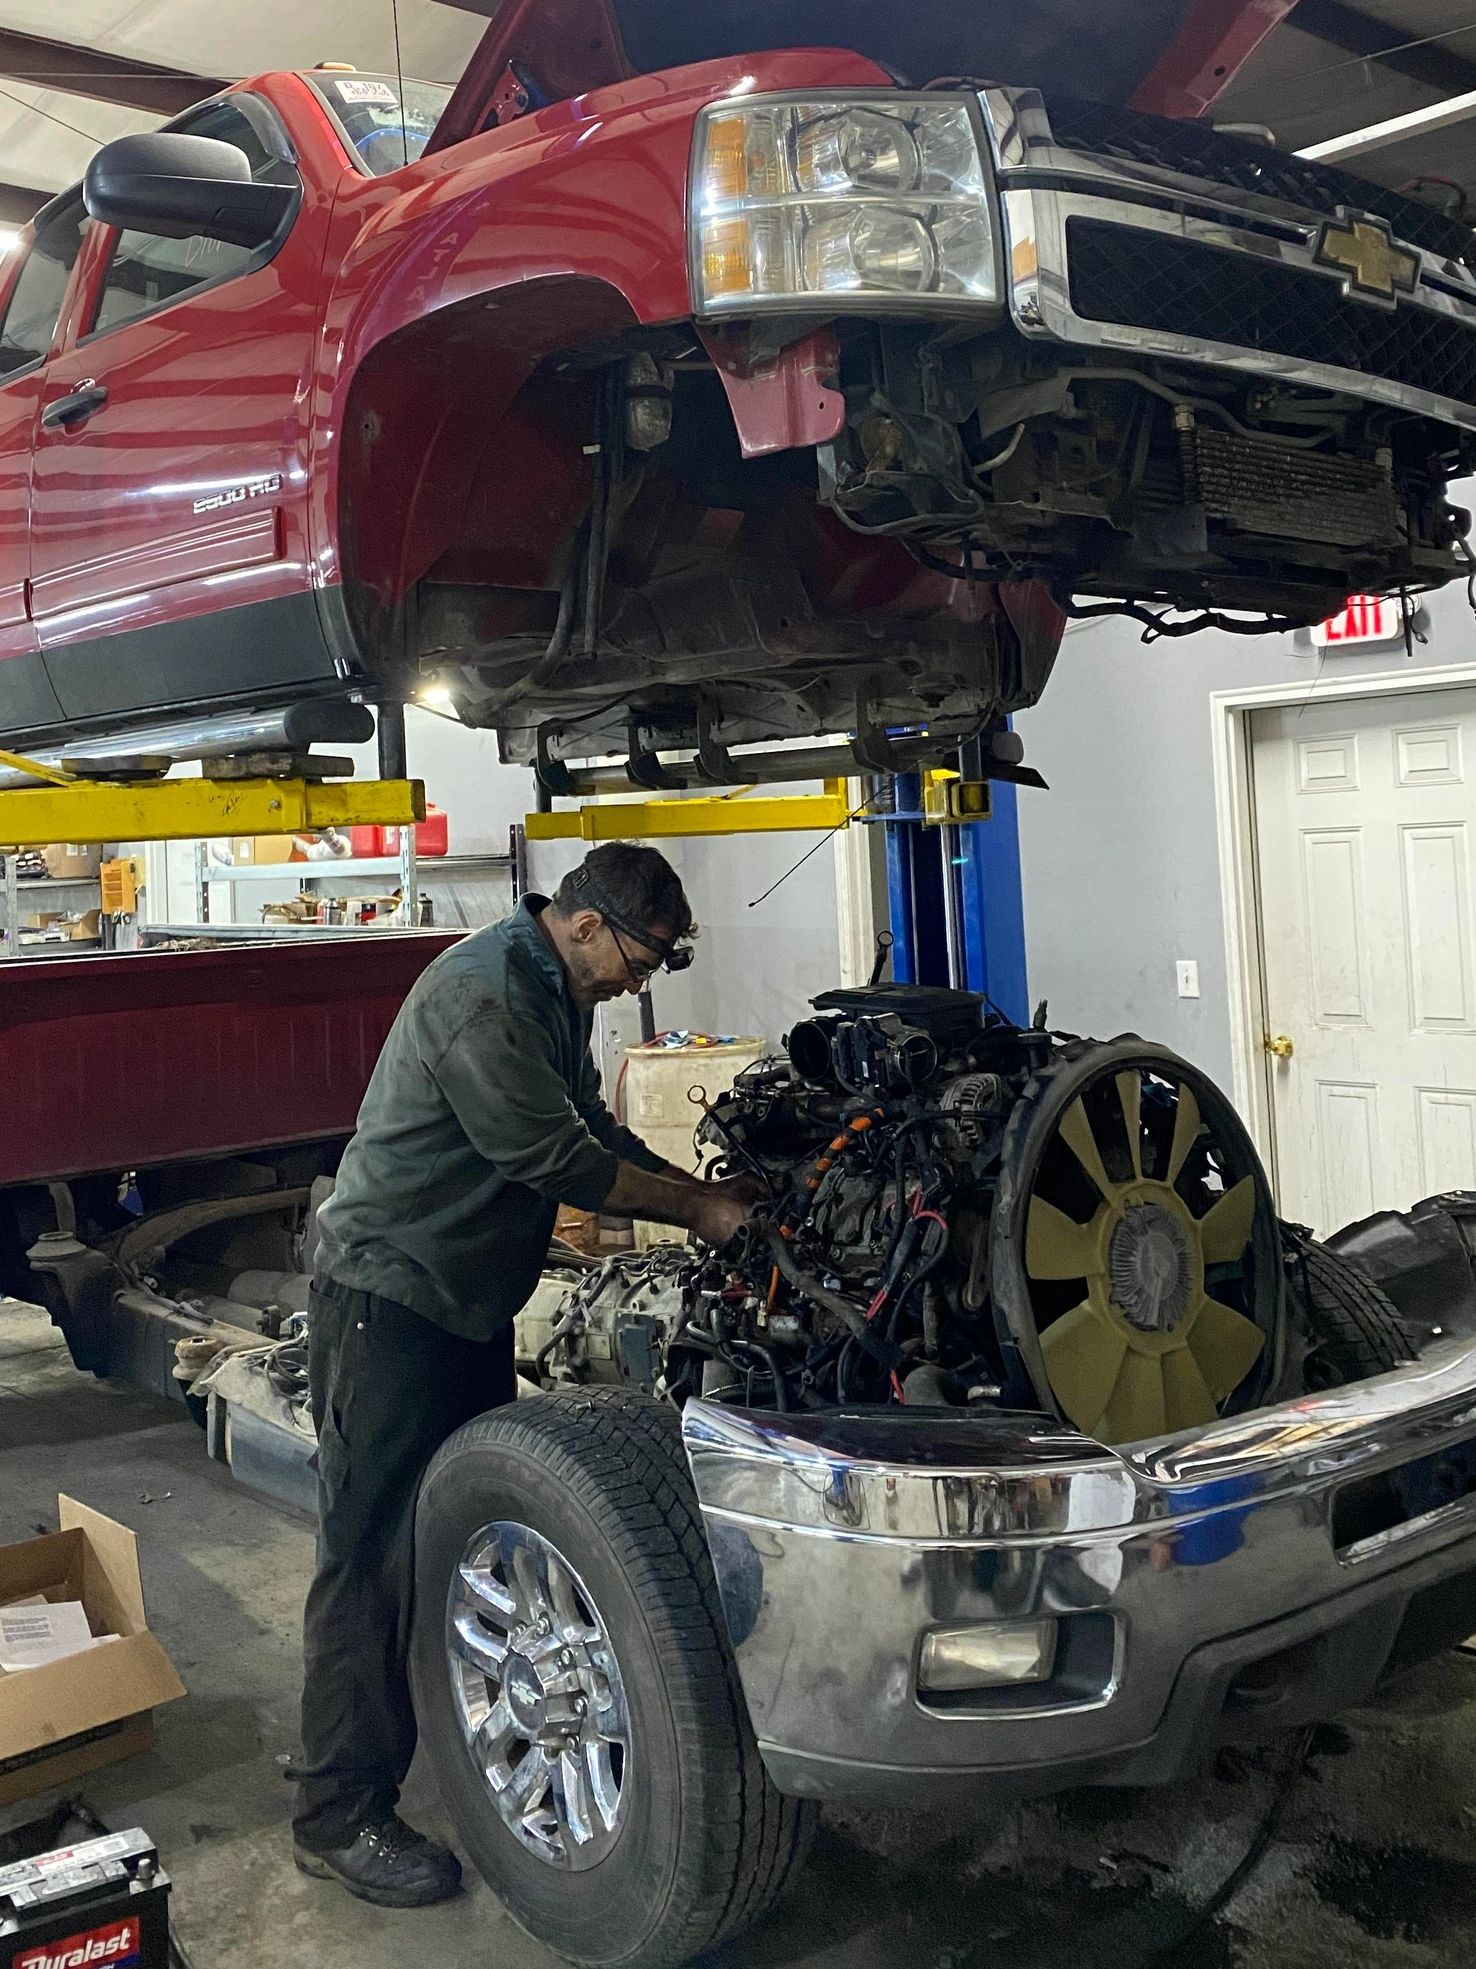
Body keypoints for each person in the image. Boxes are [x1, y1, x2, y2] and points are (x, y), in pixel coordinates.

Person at [292, 842, 755, 1906]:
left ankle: (427, 1746)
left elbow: (588, 1123)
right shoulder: (487, 995)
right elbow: (553, 1157)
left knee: (459, 1538)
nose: (642, 982)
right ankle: (336, 1810)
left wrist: (706, 1185)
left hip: (461, 1300)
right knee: (369, 1556)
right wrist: (696, 1211)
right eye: (643, 960)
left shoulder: (555, 988)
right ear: (588, 924)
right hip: (391, 1299)